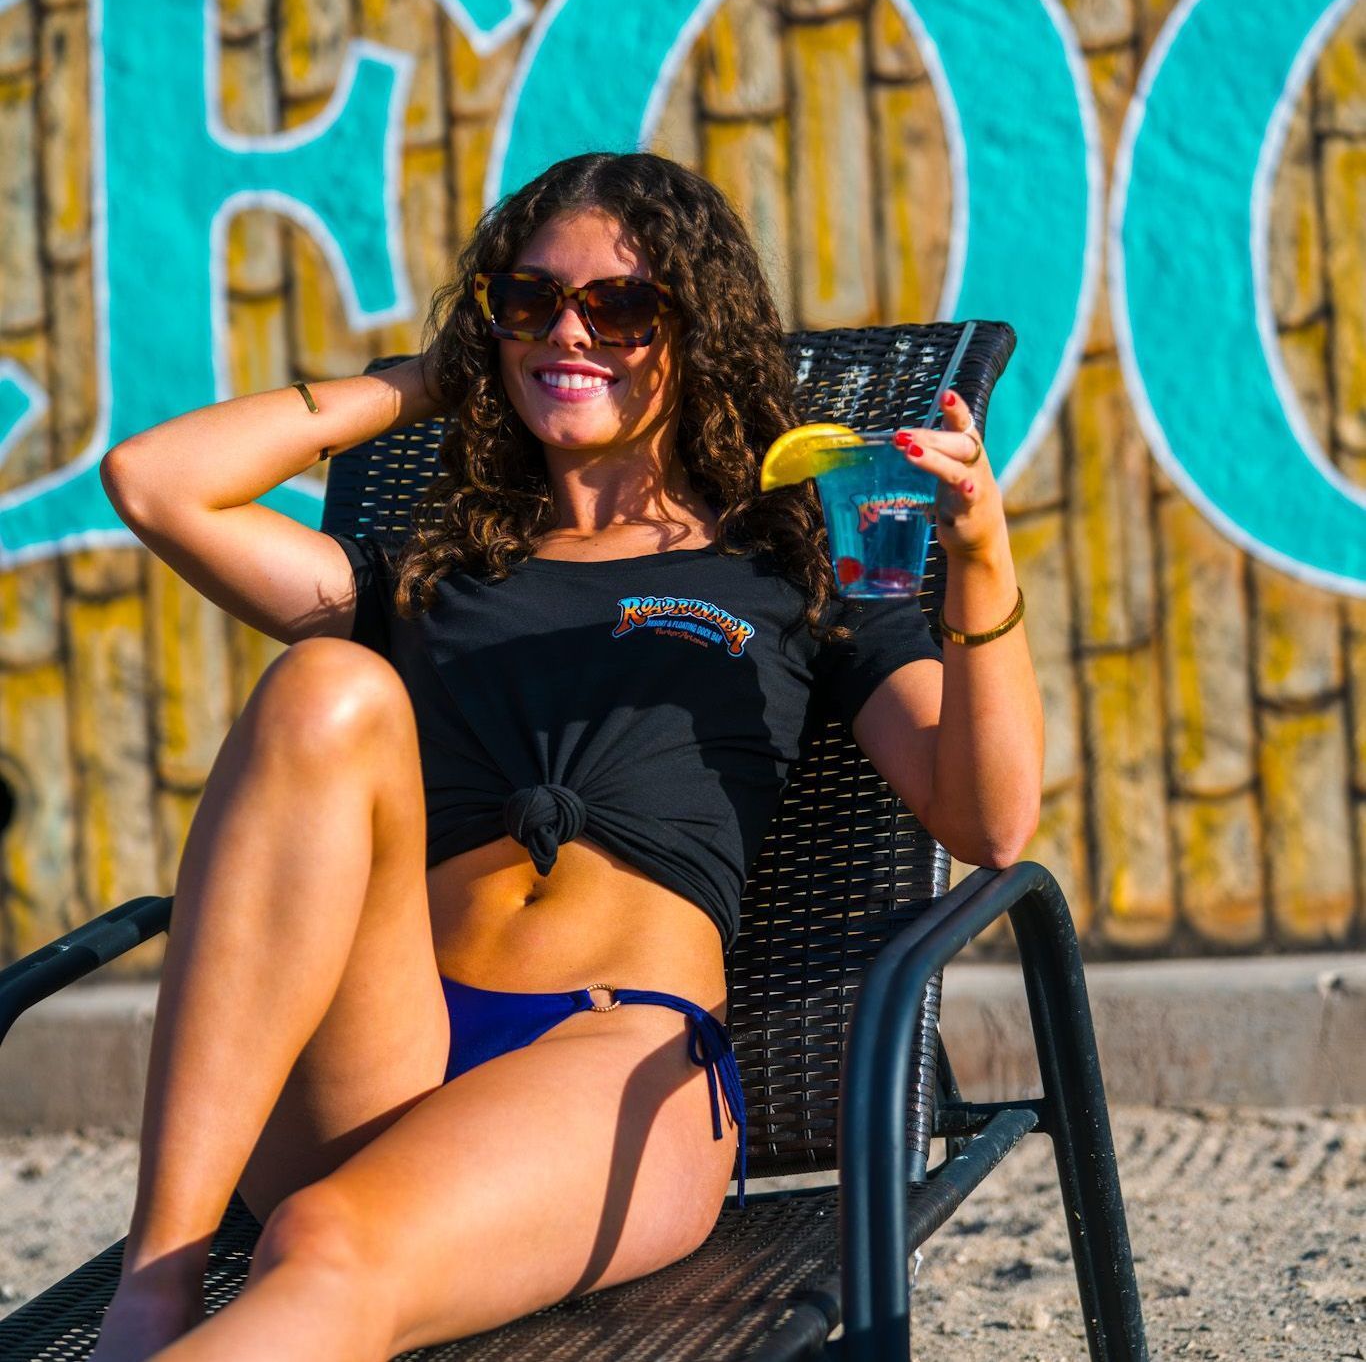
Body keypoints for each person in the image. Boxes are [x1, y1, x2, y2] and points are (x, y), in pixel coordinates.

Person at [92, 150, 1043, 1361]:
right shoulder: (435, 567)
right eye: (529, 301)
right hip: (384, 1046)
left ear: (693, 330)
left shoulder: (789, 559)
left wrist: (978, 554)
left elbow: (988, 820)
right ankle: (157, 1285)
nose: (569, 332)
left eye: (621, 305)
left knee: (324, 1246)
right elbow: (156, 483)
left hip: (611, 1056)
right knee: (322, 683)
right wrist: (427, 377)